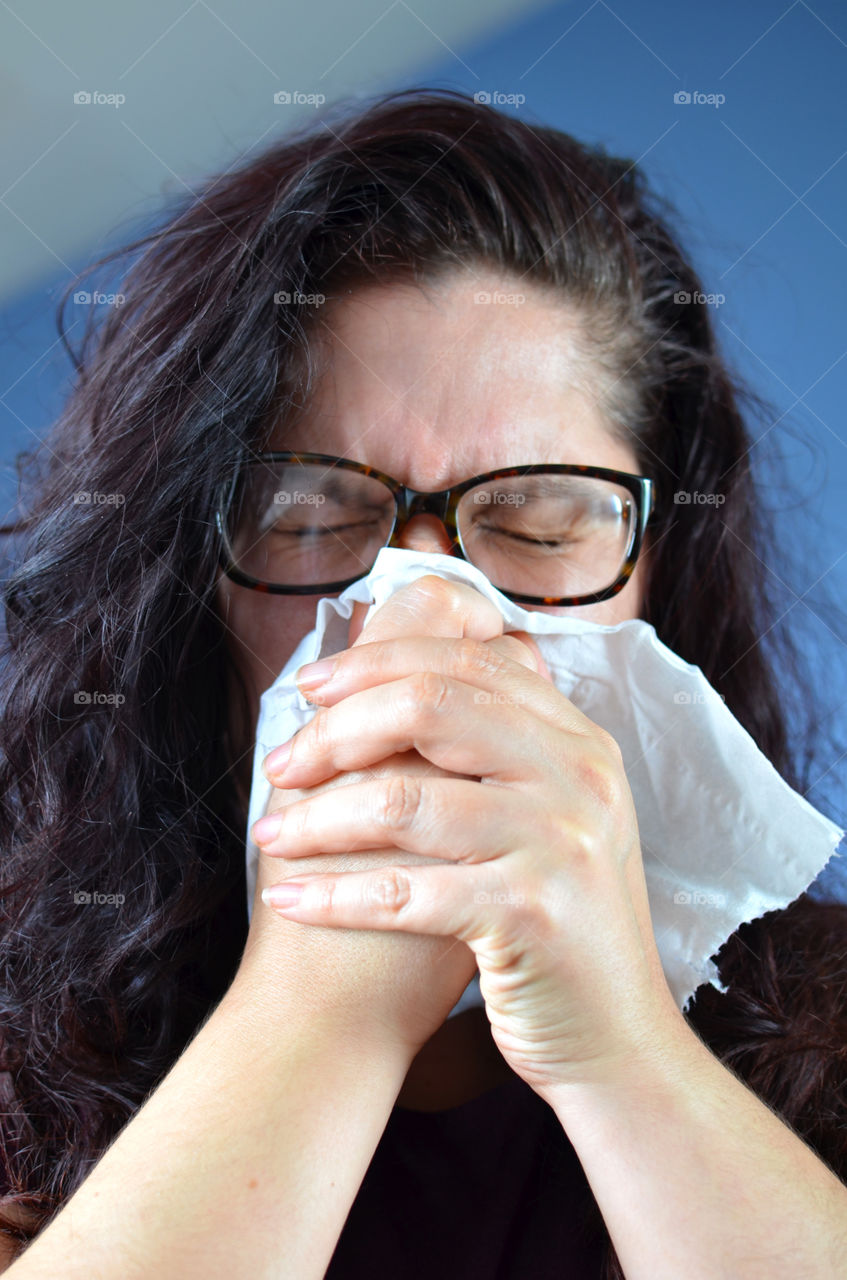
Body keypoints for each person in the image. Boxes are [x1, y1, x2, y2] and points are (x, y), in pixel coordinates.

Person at [0, 87, 845, 1279]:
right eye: (317, 515)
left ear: (657, 573)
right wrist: (326, 1002)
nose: (426, 611)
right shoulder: (18, 1042)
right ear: (193, 587)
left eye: (540, 525)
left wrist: (620, 1049)